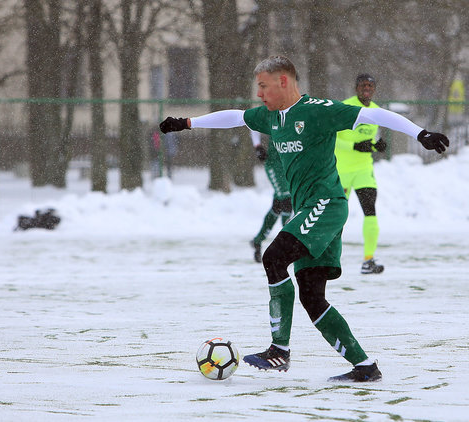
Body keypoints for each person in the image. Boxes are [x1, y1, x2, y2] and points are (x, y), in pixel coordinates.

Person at [159, 55, 449, 382]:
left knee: (273, 257)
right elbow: (236, 117)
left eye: (264, 86)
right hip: (312, 210)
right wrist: (187, 123)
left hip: (326, 203)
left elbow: (373, 113)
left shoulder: (319, 111)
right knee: (312, 296)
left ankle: (278, 351)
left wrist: (421, 133)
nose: (259, 94)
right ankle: (365, 367)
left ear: (284, 82)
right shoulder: (270, 117)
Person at [334, 73, 386, 274]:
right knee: (337, 216)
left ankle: (368, 260)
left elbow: (371, 142)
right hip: (342, 170)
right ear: (356, 88)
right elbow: (332, 137)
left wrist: (378, 146)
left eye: (370, 86)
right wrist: (353, 146)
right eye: (363, 85)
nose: (367, 89)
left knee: (370, 211)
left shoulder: (376, 111)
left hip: (364, 170)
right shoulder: (345, 107)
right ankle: (329, 258)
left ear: (374, 89)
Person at [250, 130, 292, 263]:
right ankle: (286, 246)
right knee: (287, 202)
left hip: (289, 164)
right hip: (275, 165)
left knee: (278, 206)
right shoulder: (271, 112)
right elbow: (250, 122)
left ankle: (258, 241)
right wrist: (257, 145)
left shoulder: (297, 111)